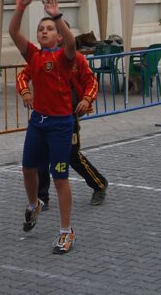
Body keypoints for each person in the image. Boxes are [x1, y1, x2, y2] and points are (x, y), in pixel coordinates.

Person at [10, 0, 93, 255]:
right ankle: (34, 204)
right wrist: (21, 8)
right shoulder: (33, 55)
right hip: (38, 123)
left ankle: (66, 231)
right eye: (41, 28)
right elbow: (13, 32)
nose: (45, 31)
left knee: (60, 179)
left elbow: (71, 42)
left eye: (50, 29)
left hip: (60, 125)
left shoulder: (64, 57)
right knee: (27, 169)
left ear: (57, 34)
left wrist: (56, 15)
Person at [24, 50, 107, 209]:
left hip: (67, 115)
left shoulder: (77, 58)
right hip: (45, 116)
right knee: (42, 155)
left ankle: (99, 184)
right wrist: (25, 92)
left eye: (56, 30)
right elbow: (22, 76)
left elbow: (92, 81)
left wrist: (86, 99)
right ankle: (42, 198)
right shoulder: (40, 58)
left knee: (71, 154)